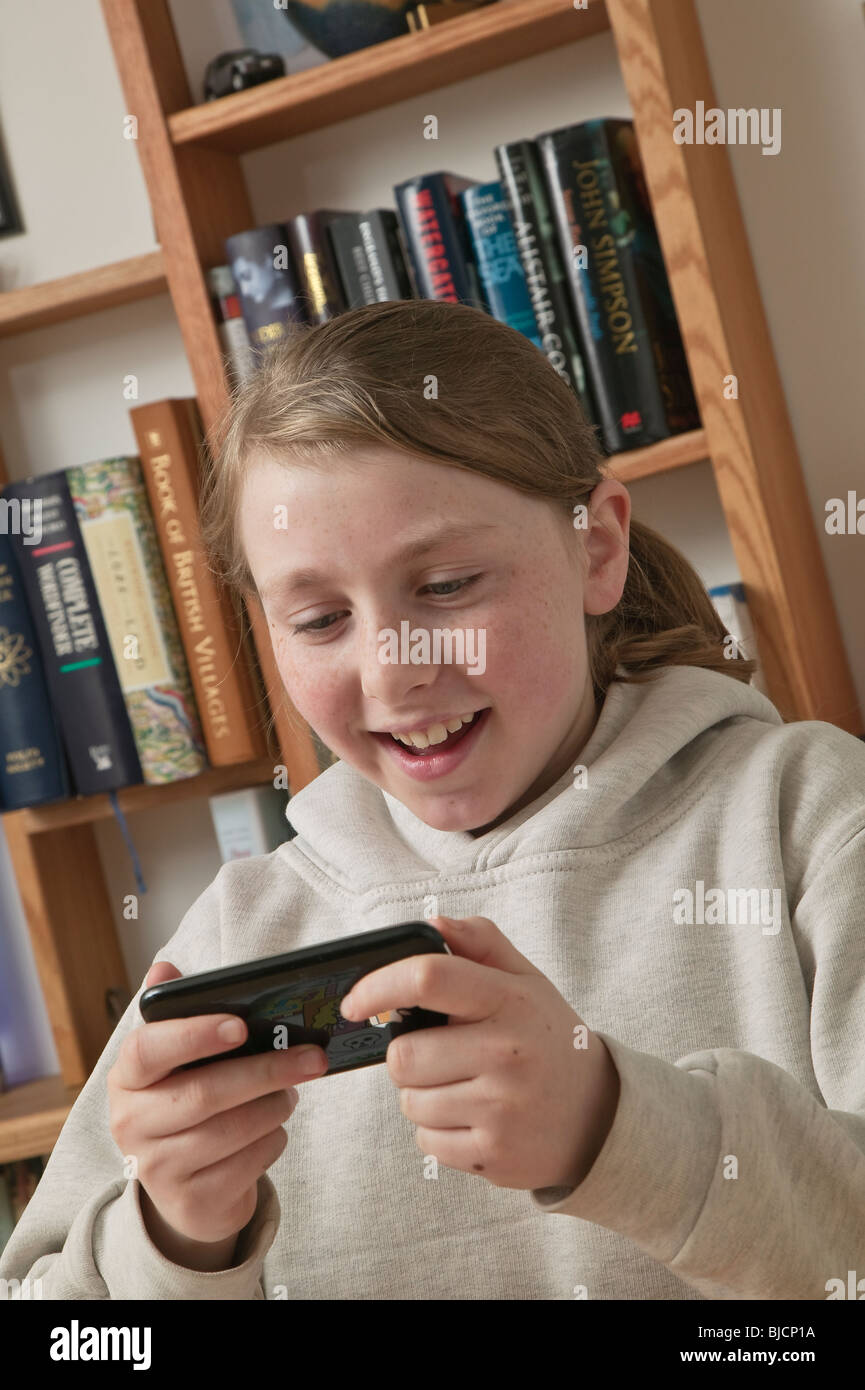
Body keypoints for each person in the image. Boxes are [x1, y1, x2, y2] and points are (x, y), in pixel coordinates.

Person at [2, 300, 863, 1300]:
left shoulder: (809, 821)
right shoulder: (238, 933)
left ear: (596, 547)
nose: (392, 669)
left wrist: (616, 1132)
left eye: (447, 585)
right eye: (320, 618)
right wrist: (174, 1241)